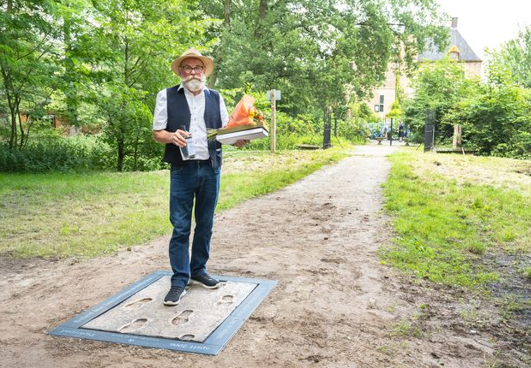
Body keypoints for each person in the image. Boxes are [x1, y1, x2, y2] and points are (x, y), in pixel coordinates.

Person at [152, 48, 247, 306]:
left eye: (197, 68)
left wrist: (237, 140)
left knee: (205, 223)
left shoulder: (216, 97)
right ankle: (179, 279)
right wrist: (171, 136)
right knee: (181, 226)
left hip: (210, 167)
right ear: (180, 72)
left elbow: (225, 131)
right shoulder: (167, 95)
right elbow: (157, 132)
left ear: (204, 72)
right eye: (187, 68)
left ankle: (198, 271)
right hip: (182, 170)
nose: (193, 72)